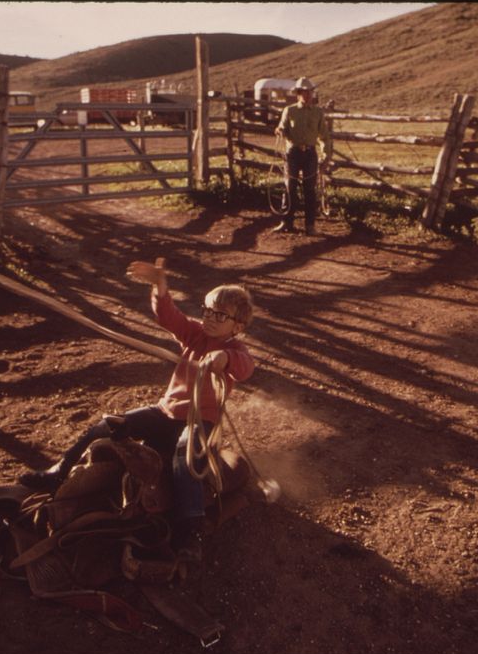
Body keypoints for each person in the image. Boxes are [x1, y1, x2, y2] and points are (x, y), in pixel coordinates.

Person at [19, 257, 255, 554]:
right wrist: (160, 286)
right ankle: (59, 472)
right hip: (166, 410)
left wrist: (225, 360)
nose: (209, 318)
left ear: (238, 326)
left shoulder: (235, 349)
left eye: (220, 315)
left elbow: (245, 368)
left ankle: (191, 526)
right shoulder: (195, 334)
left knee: (185, 458)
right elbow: (170, 318)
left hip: (199, 420)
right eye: (207, 310)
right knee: (107, 425)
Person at [272, 76, 331, 236]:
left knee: (309, 189)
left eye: (309, 92)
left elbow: (324, 137)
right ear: (298, 94)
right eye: (304, 92)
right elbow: (282, 127)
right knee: (290, 187)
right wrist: (280, 131)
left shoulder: (318, 113)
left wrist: (325, 156)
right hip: (293, 153)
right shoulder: (289, 111)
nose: (307, 95)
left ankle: (310, 225)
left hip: (310, 153)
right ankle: (286, 222)